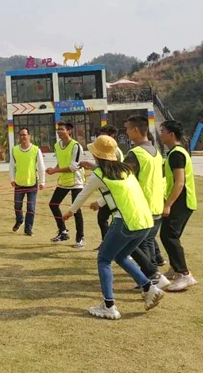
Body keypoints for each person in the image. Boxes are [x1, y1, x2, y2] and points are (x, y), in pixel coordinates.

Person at [63, 135, 165, 320]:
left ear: (96, 155)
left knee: (103, 259)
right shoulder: (126, 170)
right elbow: (122, 192)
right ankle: (149, 287)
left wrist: (70, 212)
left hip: (125, 221)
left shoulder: (99, 174)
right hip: (144, 222)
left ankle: (109, 305)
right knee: (120, 255)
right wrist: (100, 202)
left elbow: (82, 195)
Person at [122, 115, 170, 290]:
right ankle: (152, 277)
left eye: (128, 129)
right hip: (156, 203)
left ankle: (151, 277)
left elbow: (122, 178)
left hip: (142, 206)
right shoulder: (155, 152)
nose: (126, 132)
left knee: (136, 244)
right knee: (147, 242)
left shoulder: (136, 154)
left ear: (136, 130)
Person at [160, 120, 199, 292]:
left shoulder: (177, 154)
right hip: (179, 200)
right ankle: (175, 268)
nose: (160, 135)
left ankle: (184, 274)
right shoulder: (173, 153)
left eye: (162, 131)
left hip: (181, 201)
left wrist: (168, 204)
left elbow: (180, 182)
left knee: (168, 236)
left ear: (171, 134)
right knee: (169, 235)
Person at [79, 125, 122, 247]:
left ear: (112, 136)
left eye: (103, 136)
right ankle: (107, 243)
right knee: (103, 218)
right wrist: (92, 166)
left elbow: (111, 172)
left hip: (115, 195)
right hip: (108, 194)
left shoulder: (115, 152)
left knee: (114, 221)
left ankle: (110, 245)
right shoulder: (104, 152)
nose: (100, 139)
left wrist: (100, 201)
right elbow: (104, 169)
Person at [47, 122, 85, 247]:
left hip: (76, 182)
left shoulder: (76, 146)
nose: (59, 132)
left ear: (69, 131)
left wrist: (55, 171)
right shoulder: (57, 145)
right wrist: (53, 169)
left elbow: (73, 167)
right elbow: (61, 162)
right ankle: (63, 231)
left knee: (76, 209)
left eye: (61, 129)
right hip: (64, 181)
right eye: (58, 129)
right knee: (53, 204)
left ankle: (80, 238)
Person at [9, 127, 46, 236]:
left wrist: (42, 182)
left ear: (29, 136)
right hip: (19, 183)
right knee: (17, 205)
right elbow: (11, 166)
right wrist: (12, 179)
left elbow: (41, 167)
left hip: (32, 183)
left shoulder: (36, 150)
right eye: (20, 135)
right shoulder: (15, 150)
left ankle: (28, 228)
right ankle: (20, 220)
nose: (22, 137)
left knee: (31, 208)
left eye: (24, 135)